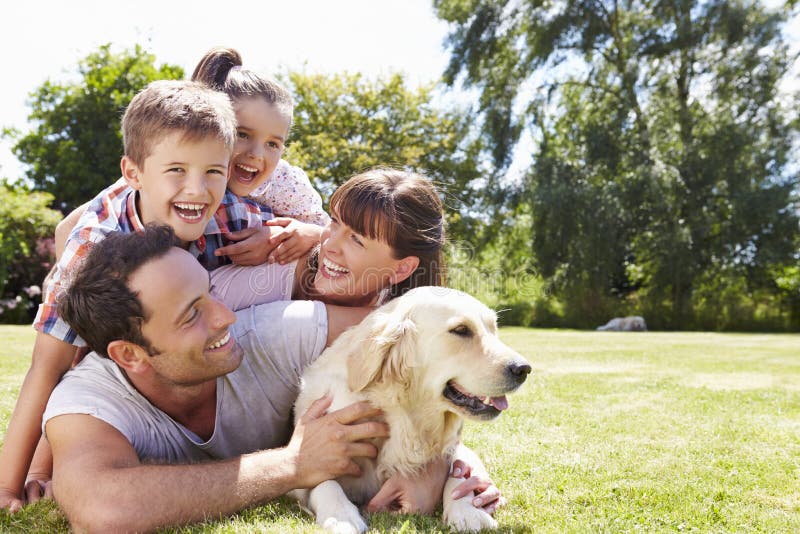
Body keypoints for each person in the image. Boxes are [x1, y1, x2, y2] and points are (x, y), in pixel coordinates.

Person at [43, 226, 496, 531]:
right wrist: (291, 465)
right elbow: (101, 510)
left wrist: (437, 466)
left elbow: (423, 344)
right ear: (130, 354)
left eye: (210, 293)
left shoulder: (281, 329)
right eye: (191, 316)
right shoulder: (88, 401)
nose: (225, 317)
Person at [0, 79, 275, 512]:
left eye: (213, 172)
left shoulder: (233, 213)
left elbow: (317, 241)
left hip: (184, 329)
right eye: (177, 171)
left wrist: (301, 235)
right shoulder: (94, 248)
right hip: (114, 318)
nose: (198, 190)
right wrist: (13, 484)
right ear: (133, 174)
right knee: (79, 352)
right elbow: (46, 366)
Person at [192, 47, 330, 268]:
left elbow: (326, 232)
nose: (256, 154)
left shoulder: (284, 183)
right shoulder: (180, 166)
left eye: (272, 144)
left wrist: (298, 234)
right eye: (242, 134)